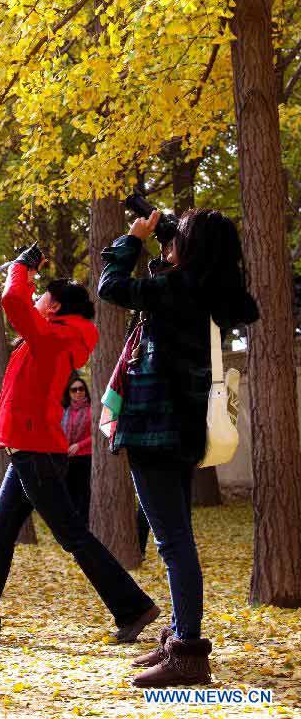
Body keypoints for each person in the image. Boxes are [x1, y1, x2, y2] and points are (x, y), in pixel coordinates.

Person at [0, 250, 159, 645]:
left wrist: (21, 268)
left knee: (73, 535)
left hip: (36, 450)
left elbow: (12, 301)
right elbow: (22, 306)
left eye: (42, 296)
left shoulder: (51, 336)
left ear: (55, 306)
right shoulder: (52, 336)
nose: (35, 298)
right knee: (0, 536)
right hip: (28, 448)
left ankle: (132, 606)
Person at [98, 208, 258, 687]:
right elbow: (165, 289)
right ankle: (178, 637)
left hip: (155, 426)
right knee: (176, 537)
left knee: (172, 541)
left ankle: (188, 651)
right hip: (183, 431)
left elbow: (111, 286)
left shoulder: (176, 289)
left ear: (193, 249)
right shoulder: (206, 289)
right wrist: (169, 242)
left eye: (180, 238)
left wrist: (132, 239)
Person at [61, 374, 93, 524]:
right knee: (69, 494)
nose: (78, 392)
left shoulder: (91, 410)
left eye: (81, 389)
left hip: (85, 457)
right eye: (74, 390)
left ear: (86, 391)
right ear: (69, 393)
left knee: (84, 494)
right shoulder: (65, 411)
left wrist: (79, 445)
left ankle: (84, 526)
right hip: (67, 458)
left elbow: (97, 435)